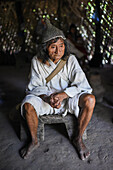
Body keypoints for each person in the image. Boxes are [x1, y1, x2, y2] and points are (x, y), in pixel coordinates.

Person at [20, 19, 95, 160]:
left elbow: (82, 85)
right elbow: (34, 87)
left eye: (61, 46)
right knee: (28, 105)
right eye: (53, 47)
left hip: (68, 99)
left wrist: (63, 95)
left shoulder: (71, 59)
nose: (58, 50)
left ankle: (78, 138)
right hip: (46, 100)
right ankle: (34, 141)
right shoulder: (37, 61)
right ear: (44, 48)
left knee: (90, 100)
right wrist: (48, 98)